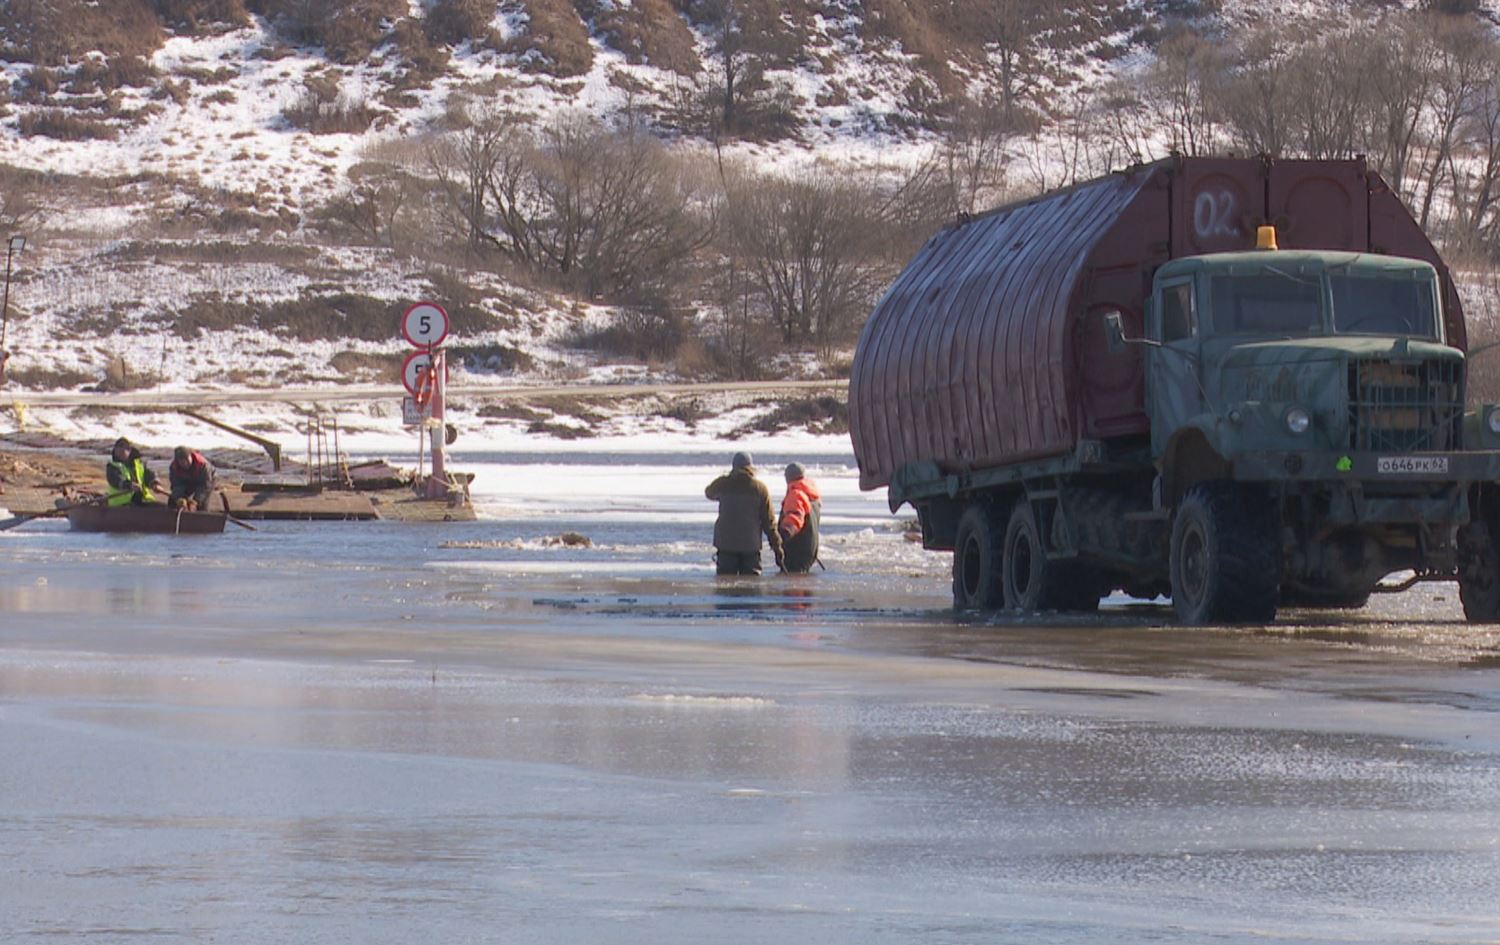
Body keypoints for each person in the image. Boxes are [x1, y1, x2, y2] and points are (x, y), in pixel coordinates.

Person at [705, 451, 784, 575]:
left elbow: (709, 492)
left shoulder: (724, 484)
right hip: (750, 546)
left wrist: (726, 479)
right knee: (751, 583)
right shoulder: (759, 489)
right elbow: (769, 522)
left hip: (726, 545)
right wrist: (777, 547)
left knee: (726, 582)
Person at [778, 462, 822, 574]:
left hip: (797, 552)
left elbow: (794, 518)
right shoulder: (811, 495)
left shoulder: (796, 494)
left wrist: (781, 536)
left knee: (794, 581)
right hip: (809, 550)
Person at [105, 437, 158, 506]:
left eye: (126, 448)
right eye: (119, 447)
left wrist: (154, 483)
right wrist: (129, 485)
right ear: (115, 450)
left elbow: (148, 475)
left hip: (141, 499)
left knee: (162, 508)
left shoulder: (138, 464)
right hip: (120, 504)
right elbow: (116, 480)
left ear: (130, 451)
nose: (122, 451)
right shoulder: (112, 466)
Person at [168, 445, 215, 511]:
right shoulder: (174, 467)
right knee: (173, 502)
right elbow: (176, 485)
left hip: (206, 480)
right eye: (182, 461)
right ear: (177, 461)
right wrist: (179, 498)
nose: (185, 463)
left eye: (187, 460)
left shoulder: (203, 465)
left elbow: (204, 486)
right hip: (187, 480)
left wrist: (196, 501)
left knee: (201, 506)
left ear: (191, 456)